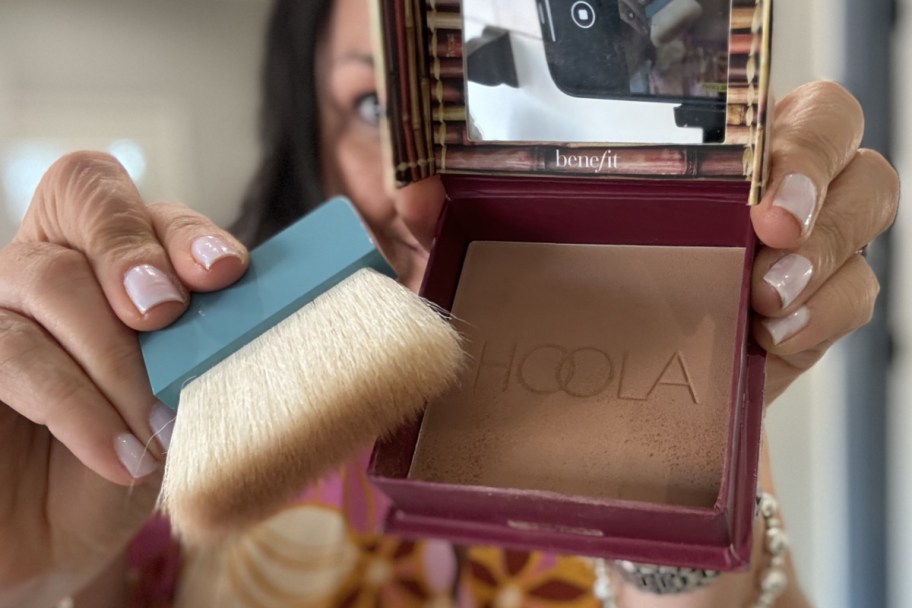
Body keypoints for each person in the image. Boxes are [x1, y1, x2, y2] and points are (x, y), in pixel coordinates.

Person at [0, 0, 899, 606]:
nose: (415, 185)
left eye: (469, 106)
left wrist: (675, 531)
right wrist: (25, 570)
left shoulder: (669, 335)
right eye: (367, 105)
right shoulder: (161, 430)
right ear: (304, 120)